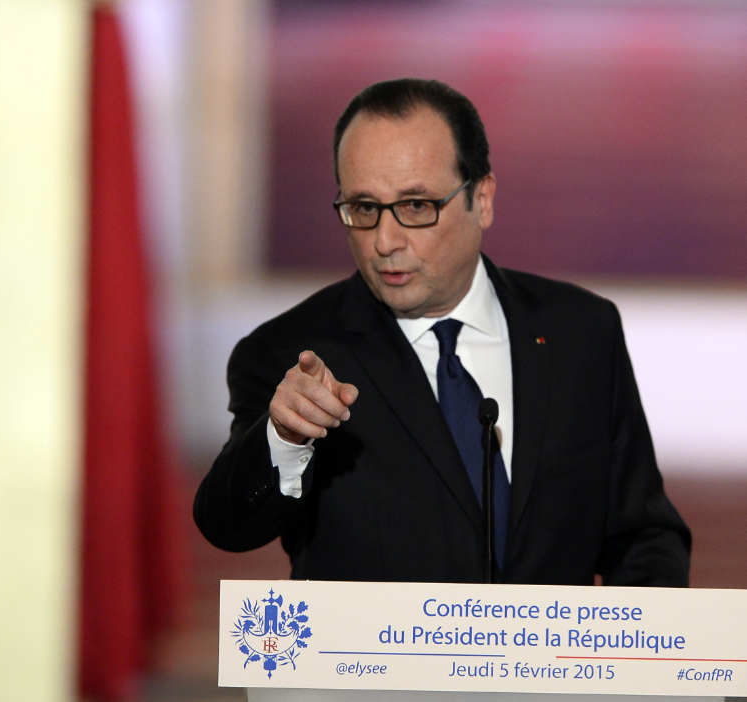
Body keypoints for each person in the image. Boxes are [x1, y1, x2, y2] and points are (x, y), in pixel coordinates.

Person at [193, 78, 690, 586]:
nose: (385, 241)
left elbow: (643, 536)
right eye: (364, 209)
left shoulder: (581, 333)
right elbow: (228, 527)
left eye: (415, 206)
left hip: (548, 667)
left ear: (483, 198)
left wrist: (642, 657)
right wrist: (284, 438)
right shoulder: (289, 355)